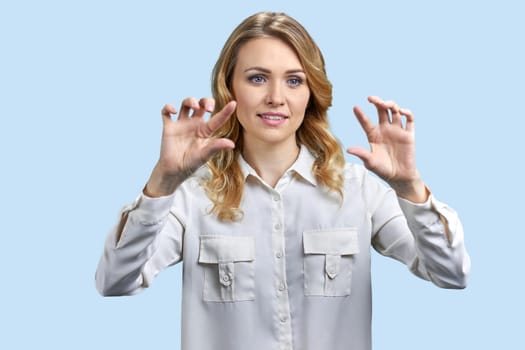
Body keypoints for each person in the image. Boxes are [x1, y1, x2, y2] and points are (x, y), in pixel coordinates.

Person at [95, 11, 470, 350]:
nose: (276, 97)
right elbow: (115, 281)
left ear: (311, 93)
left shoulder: (359, 191)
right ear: (230, 89)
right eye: (257, 78)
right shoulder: (191, 197)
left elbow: (450, 273)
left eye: (294, 80)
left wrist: (410, 188)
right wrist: (162, 181)